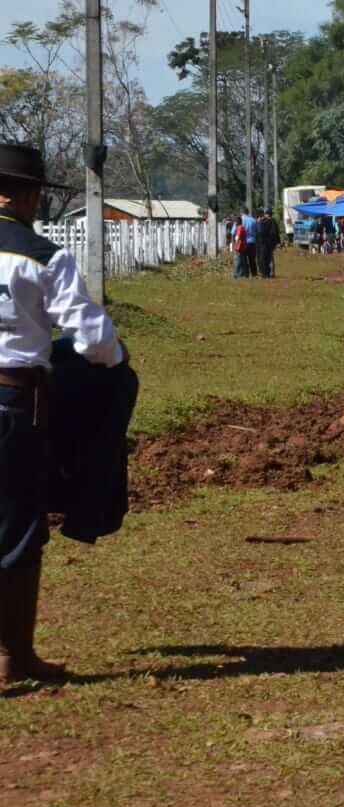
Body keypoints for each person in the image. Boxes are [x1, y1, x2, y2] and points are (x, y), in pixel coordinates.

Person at [0, 143, 128, 682]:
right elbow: (95, 342)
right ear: (28, 195)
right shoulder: (43, 255)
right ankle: (13, 656)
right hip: (13, 402)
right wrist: (115, 362)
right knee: (16, 527)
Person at [256, 208, 278, 279]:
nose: (264, 216)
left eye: (265, 214)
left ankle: (270, 273)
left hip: (268, 243)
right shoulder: (271, 221)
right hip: (269, 242)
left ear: (267, 214)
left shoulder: (269, 221)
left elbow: (265, 232)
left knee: (268, 258)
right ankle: (270, 273)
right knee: (269, 257)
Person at [239, 205, 259, 276]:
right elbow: (257, 232)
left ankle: (245, 274)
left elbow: (235, 232)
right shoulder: (253, 220)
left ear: (241, 212)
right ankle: (254, 273)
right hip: (252, 242)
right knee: (252, 260)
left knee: (243, 259)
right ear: (248, 212)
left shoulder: (240, 220)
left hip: (243, 243)